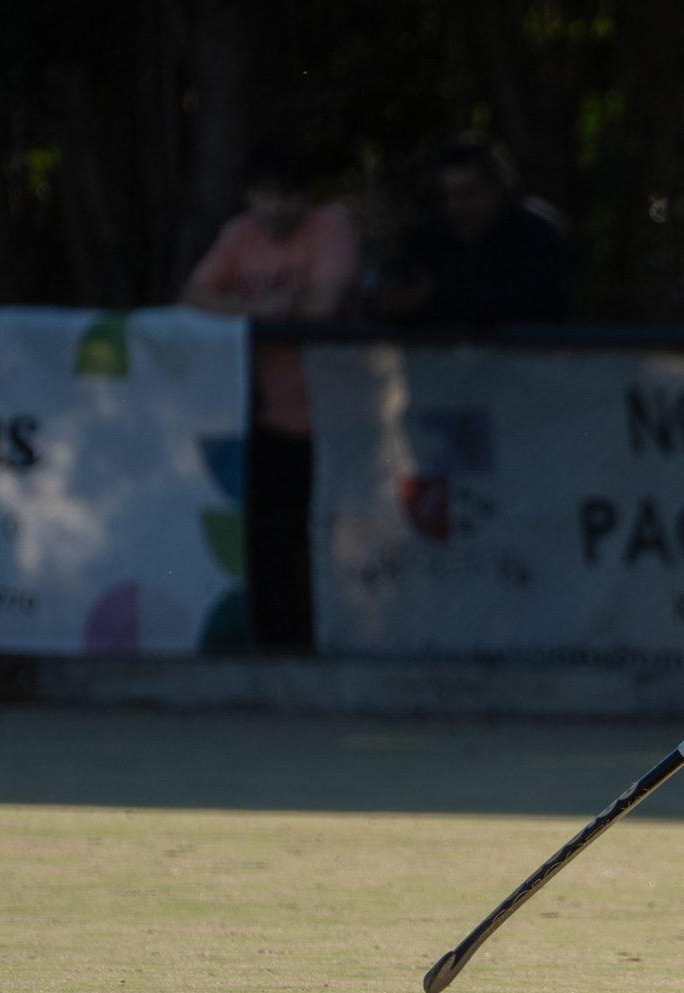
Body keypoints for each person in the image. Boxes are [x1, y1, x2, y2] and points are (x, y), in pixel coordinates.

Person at [183, 141, 360, 651]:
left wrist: (240, 307)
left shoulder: (332, 225)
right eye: (265, 195)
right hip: (269, 416)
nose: (277, 208)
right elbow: (194, 297)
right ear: (248, 196)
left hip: (337, 417)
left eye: (288, 196)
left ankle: (330, 647)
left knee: (330, 541)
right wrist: (263, 306)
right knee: (272, 539)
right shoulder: (239, 235)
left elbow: (320, 309)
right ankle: (281, 648)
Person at [373, 138, 574, 326]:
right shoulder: (430, 232)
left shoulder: (538, 233)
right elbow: (391, 291)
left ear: (499, 189)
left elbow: (535, 305)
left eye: (467, 193)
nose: (455, 207)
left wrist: (437, 300)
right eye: (446, 195)